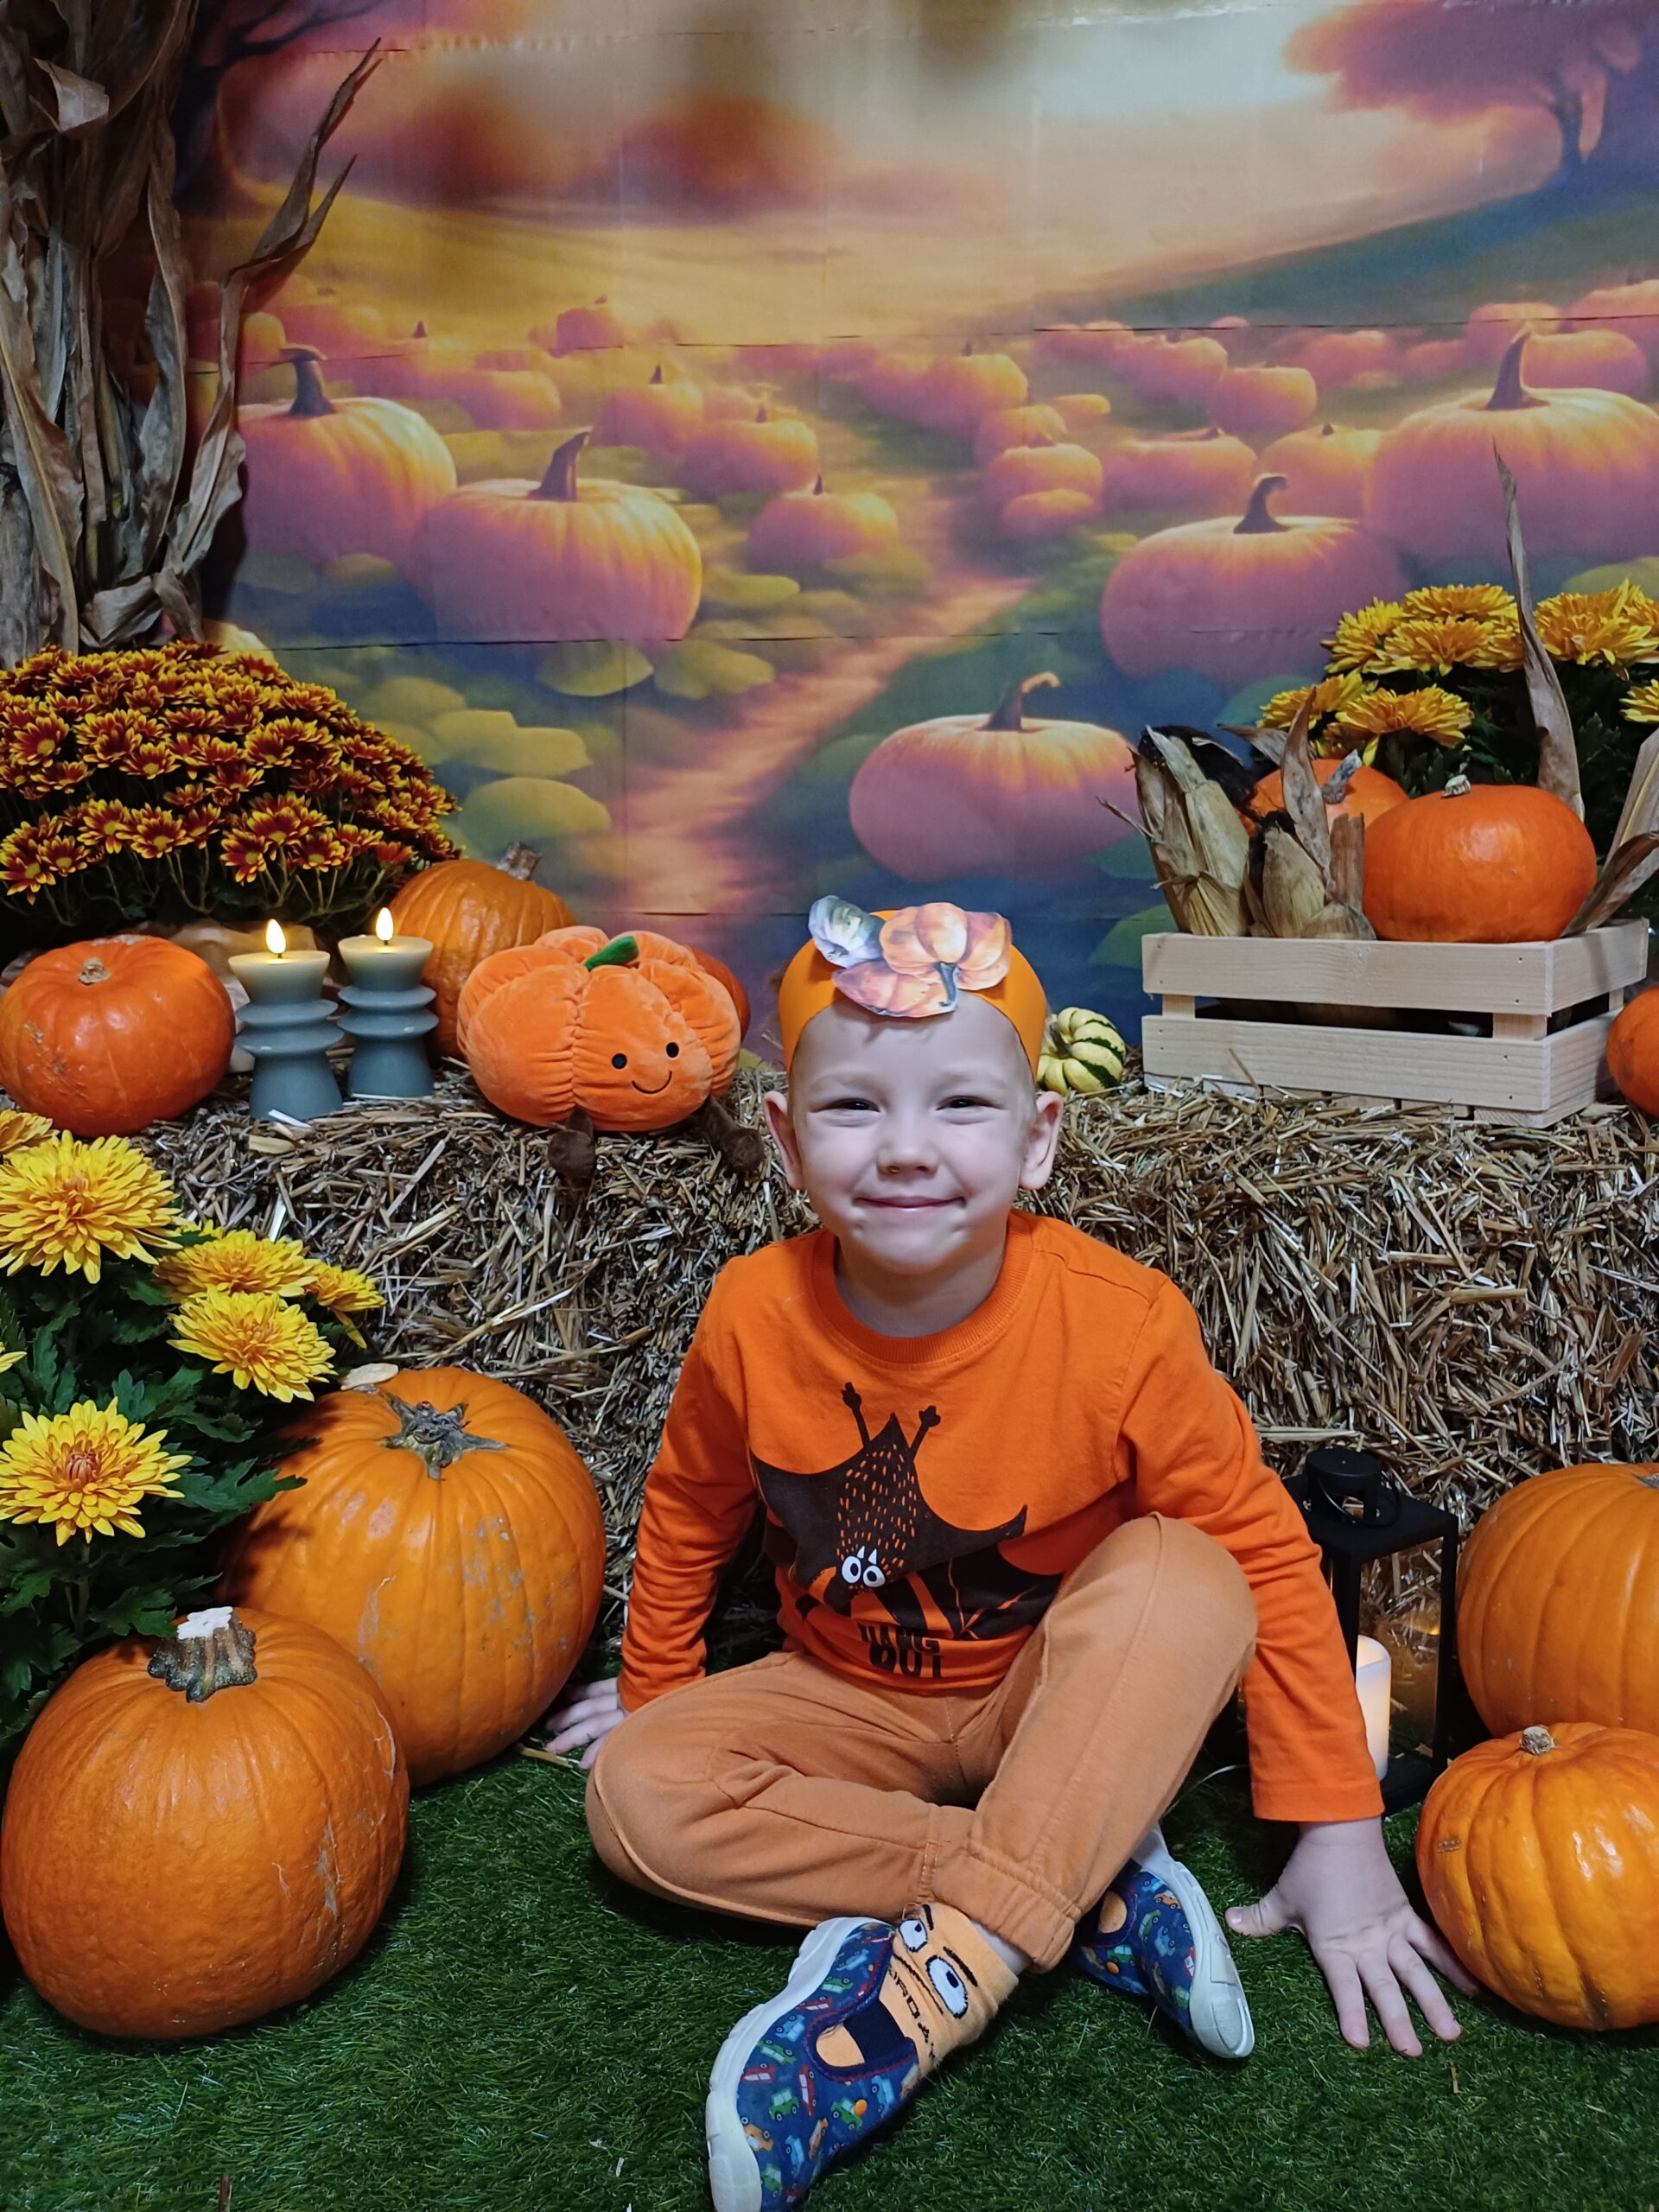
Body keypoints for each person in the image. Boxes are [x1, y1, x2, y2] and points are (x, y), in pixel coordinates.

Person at [544, 898, 1473, 2212]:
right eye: (854, 1107)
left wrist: (1337, 1826)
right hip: (845, 1697)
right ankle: (1084, 1888)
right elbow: (693, 1503)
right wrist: (654, 1687)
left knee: (1187, 1573)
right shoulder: (753, 1314)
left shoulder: (1121, 1323)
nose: (906, 1148)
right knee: (638, 1797)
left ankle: (935, 1984)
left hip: (1059, 1701)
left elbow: (1265, 1556)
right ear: (785, 1139)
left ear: (1038, 1139)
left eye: (961, 1107)